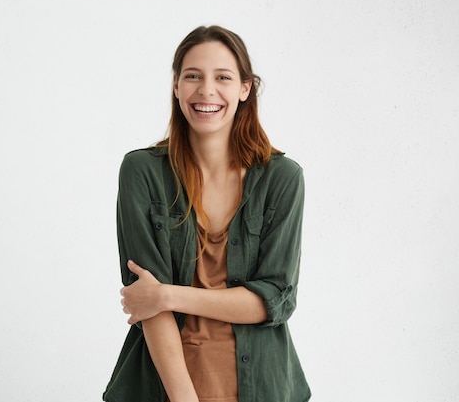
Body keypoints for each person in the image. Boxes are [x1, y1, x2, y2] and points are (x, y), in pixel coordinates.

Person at [102, 25, 311, 402]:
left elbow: (273, 301)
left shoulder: (283, 179)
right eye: (193, 76)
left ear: (245, 88)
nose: (207, 91)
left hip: (262, 387)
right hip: (164, 388)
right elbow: (147, 304)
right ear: (176, 85)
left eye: (223, 77)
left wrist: (167, 295)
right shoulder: (142, 172)